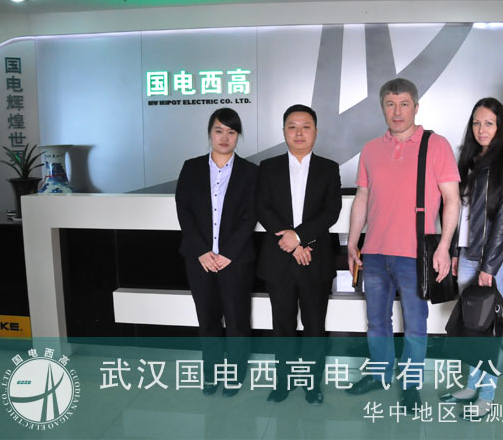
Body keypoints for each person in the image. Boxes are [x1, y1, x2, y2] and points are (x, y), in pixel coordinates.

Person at [346, 78, 460, 411]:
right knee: (377, 322)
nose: (397, 112)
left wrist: (444, 247)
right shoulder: (370, 149)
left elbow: (452, 200)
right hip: (374, 253)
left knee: (415, 325)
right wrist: (353, 242)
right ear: (383, 107)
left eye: (404, 104)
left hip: (415, 255)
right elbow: (362, 197)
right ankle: (380, 374)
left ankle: (410, 385)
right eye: (391, 104)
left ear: (416, 107)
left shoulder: (436, 145)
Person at [438, 97, 503, 420]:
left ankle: (487, 397)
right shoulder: (469, 160)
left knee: (490, 329)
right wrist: (457, 252)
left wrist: (489, 266)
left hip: (495, 259)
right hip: (468, 255)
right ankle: (471, 386)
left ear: (500, 126)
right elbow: (460, 212)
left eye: (489, 123)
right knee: (472, 327)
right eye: (476, 123)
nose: (481, 129)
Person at [256, 104, 342, 405]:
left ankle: (311, 384)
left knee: (315, 327)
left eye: (306, 126)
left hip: (315, 259)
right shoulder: (268, 167)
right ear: (284, 132)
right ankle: (283, 382)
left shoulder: (328, 168)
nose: (299, 132)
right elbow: (262, 207)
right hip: (279, 260)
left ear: (316, 131)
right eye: (292, 127)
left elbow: (331, 211)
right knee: (282, 326)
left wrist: (301, 238)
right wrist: (293, 243)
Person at [175, 108, 258, 397]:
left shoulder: (250, 172)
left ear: (238, 136)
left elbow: (250, 215)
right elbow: (184, 210)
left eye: (231, 132)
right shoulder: (192, 167)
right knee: (208, 320)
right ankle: (211, 374)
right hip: (199, 260)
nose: (224, 137)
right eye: (219, 130)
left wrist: (228, 253)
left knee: (236, 321)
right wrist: (201, 250)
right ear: (210, 133)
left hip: (235, 260)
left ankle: (234, 375)